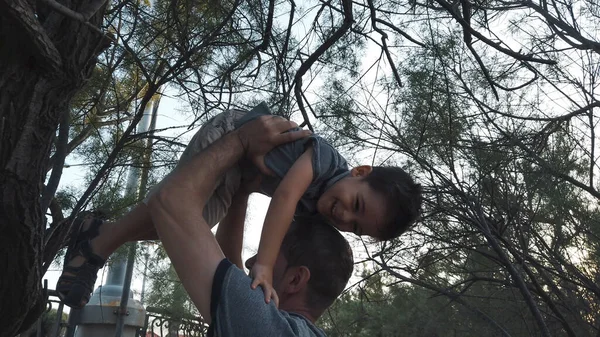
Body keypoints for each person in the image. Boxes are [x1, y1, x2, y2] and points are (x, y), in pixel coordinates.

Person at [56, 103, 421, 308]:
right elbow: (283, 197)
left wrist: (242, 268)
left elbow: (266, 205)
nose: (344, 217)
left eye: (356, 226)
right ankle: (96, 247)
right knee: (177, 209)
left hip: (236, 175)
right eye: (356, 204)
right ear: (358, 171)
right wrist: (263, 264)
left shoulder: (320, 209)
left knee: (176, 226)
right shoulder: (323, 159)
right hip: (229, 135)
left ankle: (96, 232)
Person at [63, 115, 354, 336]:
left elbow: (172, 201)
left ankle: (97, 238)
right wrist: (240, 192)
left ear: (295, 280)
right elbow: (229, 265)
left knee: (172, 221)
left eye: (274, 251)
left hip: (235, 135)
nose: (255, 259)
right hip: (226, 133)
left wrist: (242, 141)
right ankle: (98, 237)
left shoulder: (262, 325)